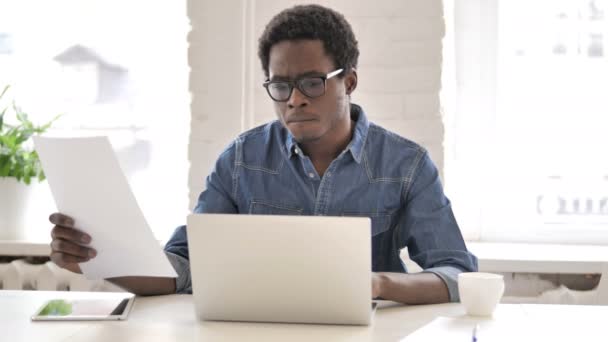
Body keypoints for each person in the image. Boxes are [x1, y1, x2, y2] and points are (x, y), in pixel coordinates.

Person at [48, 4, 477, 304]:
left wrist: (376, 284)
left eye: (312, 83)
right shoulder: (240, 159)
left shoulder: (406, 165)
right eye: (280, 85)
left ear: (348, 82)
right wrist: (101, 258)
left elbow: (458, 274)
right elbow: (184, 269)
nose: (294, 100)